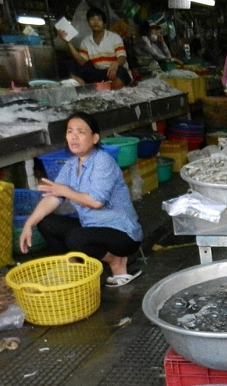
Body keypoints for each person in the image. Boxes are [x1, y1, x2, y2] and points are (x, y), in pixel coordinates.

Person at [19, 112, 144, 287]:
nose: (74, 136)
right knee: (46, 223)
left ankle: (116, 261)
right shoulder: (71, 164)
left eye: (81, 132)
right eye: (70, 131)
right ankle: (75, 271)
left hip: (122, 235)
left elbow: (96, 202)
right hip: (91, 228)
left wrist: (65, 191)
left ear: (94, 138)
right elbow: (54, 197)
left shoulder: (102, 161)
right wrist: (29, 224)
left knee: (76, 238)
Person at [59, 7, 132, 90]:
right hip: (99, 72)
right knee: (74, 68)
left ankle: (114, 94)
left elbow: (122, 57)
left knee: (121, 72)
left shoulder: (114, 37)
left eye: (99, 19)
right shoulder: (86, 41)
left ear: (104, 23)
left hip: (115, 70)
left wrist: (116, 63)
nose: (96, 22)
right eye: (92, 19)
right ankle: (86, 93)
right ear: (88, 22)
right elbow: (81, 61)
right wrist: (68, 42)